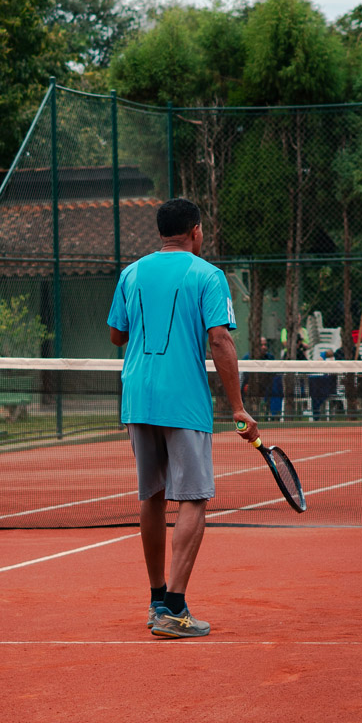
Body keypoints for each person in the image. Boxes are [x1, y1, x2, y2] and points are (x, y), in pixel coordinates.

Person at [108, 198, 259, 639]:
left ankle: (157, 600)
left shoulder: (130, 274)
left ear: (161, 233)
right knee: (193, 498)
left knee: (152, 496)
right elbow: (220, 340)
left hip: (137, 398)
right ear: (195, 231)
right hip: (183, 400)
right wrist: (238, 407)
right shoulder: (208, 275)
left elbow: (117, 334)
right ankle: (174, 610)